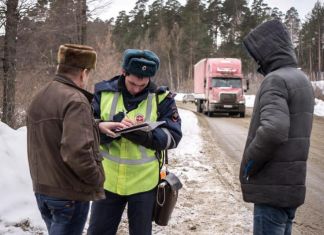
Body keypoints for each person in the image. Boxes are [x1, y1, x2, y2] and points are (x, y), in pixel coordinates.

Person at [87, 49, 182, 235]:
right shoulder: (102, 93)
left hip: (144, 185)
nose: (137, 88)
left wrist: (148, 138)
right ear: (124, 72)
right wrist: (102, 127)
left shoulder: (162, 98)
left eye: (142, 84)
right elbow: (83, 128)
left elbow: (174, 136)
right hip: (107, 181)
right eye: (132, 83)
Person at [239, 20, 314, 235]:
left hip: (271, 190)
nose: (256, 61)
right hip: (291, 188)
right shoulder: (301, 79)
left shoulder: (276, 80)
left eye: (257, 54)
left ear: (267, 51)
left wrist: (249, 164)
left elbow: (274, 130)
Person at [26, 44, 107, 235]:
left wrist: (95, 125)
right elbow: (76, 152)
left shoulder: (40, 96)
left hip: (44, 191)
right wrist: (97, 178)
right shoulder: (76, 101)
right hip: (69, 194)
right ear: (84, 72)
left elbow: (54, 132)